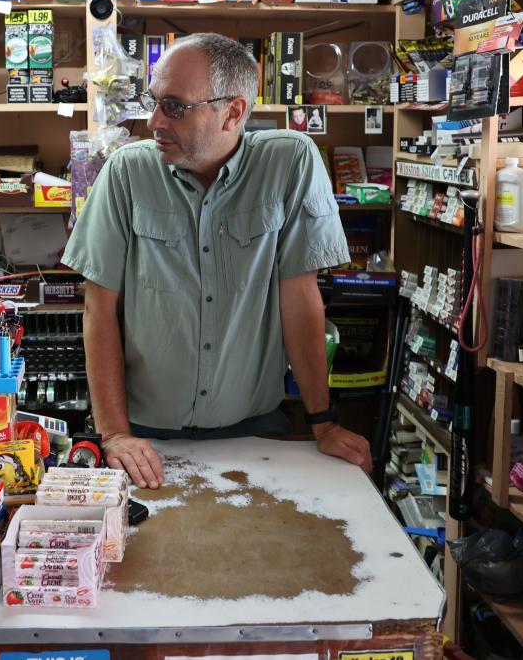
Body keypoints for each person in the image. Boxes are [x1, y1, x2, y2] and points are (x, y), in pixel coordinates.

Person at [61, 33, 373, 489]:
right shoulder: (128, 172)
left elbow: (301, 300)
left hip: (255, 431)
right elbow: (99, 310)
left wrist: (323, 423)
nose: (154, 121)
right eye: (154, 103)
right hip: (145, 441)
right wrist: (115, 434)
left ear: (234, 112)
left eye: (175, 106)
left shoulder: (290, 163)